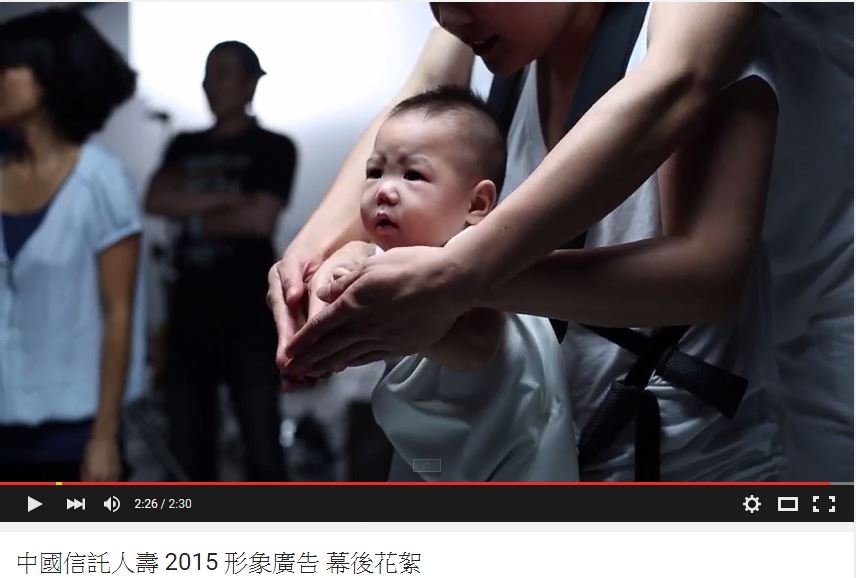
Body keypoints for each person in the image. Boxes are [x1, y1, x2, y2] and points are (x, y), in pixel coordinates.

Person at [272, 3, 787, 481]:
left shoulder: (675, 37)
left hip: (688, 467)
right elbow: (416, 96)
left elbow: (709, 276)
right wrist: (308, 259)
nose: (449, 19)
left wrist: (451, 282)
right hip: (536, 458)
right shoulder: (488, 55)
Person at [313, 86, 578, 481]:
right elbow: (359, 258)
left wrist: (394, 321)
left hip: (514, 460)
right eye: (375, 172)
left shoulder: (477, 265)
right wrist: (347, 261)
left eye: (413, 175)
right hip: (440, 454)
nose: (384, 190)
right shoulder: (381, 256)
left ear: (476, 205)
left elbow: (477, 346)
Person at [0, 8, 143, 481]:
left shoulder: (100, 180)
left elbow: (119, 316)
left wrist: (103, 438)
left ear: (48, 76)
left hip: (72, 435)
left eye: (7, 66)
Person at [146, 41, 295, 481]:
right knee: (187, 455)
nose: (210, 84)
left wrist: (189, 211)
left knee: (262, 449)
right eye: (207, 73)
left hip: (249, 316)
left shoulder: (273, 147)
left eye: (223, 72)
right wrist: (230, 198)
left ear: (250, 82)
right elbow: (155, 199)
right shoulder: (183, 144)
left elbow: (259, 220)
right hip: (188, 314)